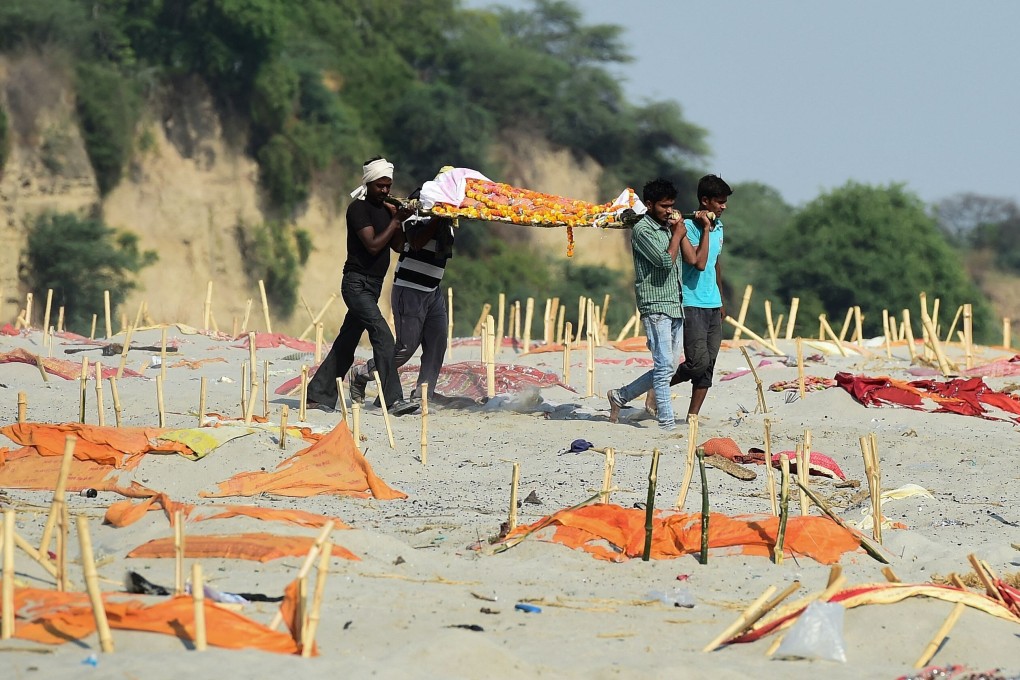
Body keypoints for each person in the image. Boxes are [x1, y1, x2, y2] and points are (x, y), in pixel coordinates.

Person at [305, 156, 419, 417]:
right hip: (355, 284)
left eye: (388, 185)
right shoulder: (358, 209)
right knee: (382, 334)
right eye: (380, 186)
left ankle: (318, 395)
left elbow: (399, 246)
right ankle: (393, 400)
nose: (386, 191)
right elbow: (373, 245)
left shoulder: (386, 210)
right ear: (368, 183)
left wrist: (400, 220)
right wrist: (393, 221)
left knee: (347, 340)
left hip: (374, 286)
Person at [348, 184, 455, 404]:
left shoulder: (448, 219)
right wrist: (436, 217)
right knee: (405, 348)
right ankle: (363, 373)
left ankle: (422, 395)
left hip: (433, 290)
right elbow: (415, 243)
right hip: (410, 289)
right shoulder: (414, 211)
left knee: (437, 343)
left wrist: (445, 218)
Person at [606, 178, 687, 431]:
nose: (669, 211)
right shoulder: (643, 230)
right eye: (664, 206)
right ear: (649, 205)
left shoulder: (667, 227)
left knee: (669, 368)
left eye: (672, 205)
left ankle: (620, 396)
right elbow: (664, 262)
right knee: (663, 368)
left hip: (675, 303)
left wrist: (676, 231)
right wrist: (677, 234)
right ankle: (667, 424)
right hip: (655, 306)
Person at [669, 174, 733, 420]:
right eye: (719, 201)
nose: (723, 206)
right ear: (705, 201)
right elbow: (698, 262)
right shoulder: (688, 227)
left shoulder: (720, 228)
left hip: (713, 304)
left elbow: (715, 264)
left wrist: (722, 300)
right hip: (691, 302)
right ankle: (658, 387)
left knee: (709, 365)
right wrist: (705, 228)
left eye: (725, 201)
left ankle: (692, 417)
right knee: (697, 362)